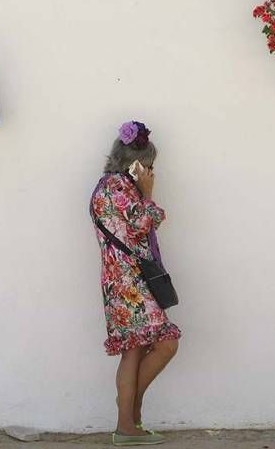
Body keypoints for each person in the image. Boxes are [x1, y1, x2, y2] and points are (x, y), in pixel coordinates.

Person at [90, 121, 181, 446]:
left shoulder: (107, 187)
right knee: (157, 346)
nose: (152, 171)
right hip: (129, 283)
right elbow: (145, 223)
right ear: (137, 163)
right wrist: (149, 193)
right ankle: (127, 420)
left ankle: (129, 418)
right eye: (150, 165)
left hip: (122, 281)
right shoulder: (118, 189)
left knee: (137, 349)